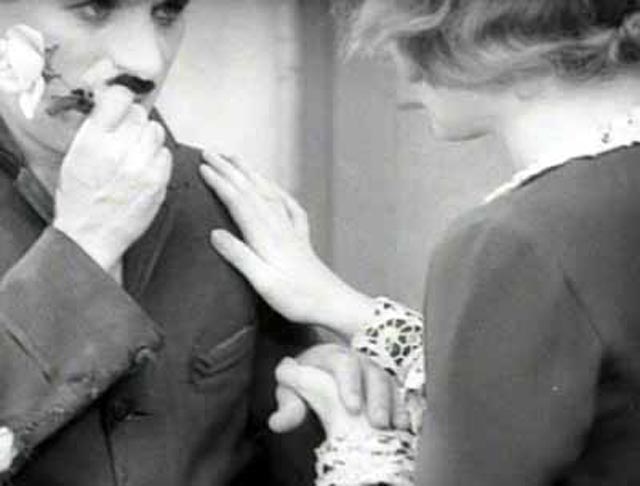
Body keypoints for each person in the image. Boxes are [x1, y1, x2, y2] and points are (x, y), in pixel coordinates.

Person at [201, 0, 640, 484]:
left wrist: (360, 446)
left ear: (500, 35)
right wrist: (339, 306)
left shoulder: (514, 240)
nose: (403, 65)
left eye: (418, 33)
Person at [0, 1, 399, 485]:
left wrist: (324, 399)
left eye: (167, 12)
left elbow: (269, 449)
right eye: (95, 7)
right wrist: (83, 249)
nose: (148, 62)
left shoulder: (222, 201)